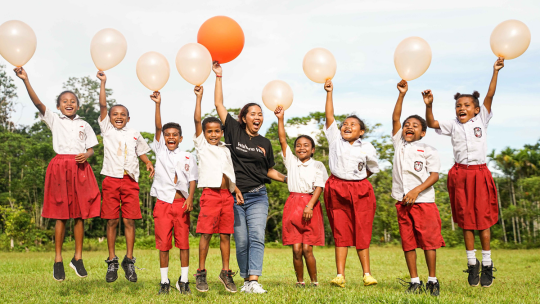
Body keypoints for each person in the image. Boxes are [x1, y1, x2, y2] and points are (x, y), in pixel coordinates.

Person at [14, 67, 101, 281]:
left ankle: (78, 258)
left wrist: (86, 155)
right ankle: (58, 259)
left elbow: (91, 147)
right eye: (65, 101)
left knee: (80, 214)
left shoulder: (84, 124)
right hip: (60, 167)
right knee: (61, 215)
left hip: (80, 167)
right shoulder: (54, 120)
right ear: (58, 106)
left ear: (78, 105)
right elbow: (37, 103)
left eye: (73, 101)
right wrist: (26, 80)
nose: (69, 103)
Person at [425, 57, 504, 288]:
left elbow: (490, 95)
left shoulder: (482, 119)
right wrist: (429, 105)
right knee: (466, 222)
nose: (462, 108)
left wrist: (495, 71)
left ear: (477, 110)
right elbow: (431, 123)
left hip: (480, 173)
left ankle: (487, 263)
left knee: (484, 221)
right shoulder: (452, 124)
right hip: (460, 174)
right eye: (459, 105)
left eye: (467, 105)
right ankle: (472, 263)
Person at [213, 62, 286, 294]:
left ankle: (253, 280)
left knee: (256, 237)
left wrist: (289, 178)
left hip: (258, 195)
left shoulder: (265, 143)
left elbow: (268, 171)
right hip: (235, 196)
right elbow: (218, 104)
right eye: (253, 114)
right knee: (242, 241)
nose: (258, 117)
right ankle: (246, 281)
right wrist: (219, 76)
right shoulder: (233, 131)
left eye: (260, 114)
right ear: (243, 118)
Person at [96, 71, 154, 283]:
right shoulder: (107, 130)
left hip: (130, 181)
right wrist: (103, 83)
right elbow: (103, 106)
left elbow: (141, 152)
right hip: (111, 179)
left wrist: (148, 162)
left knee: (130, 221)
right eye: (114, 114)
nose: (118, 116)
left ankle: (129, 260)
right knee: (111, 221)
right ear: (109, 118)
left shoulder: (135, 133)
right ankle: (112, 260)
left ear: (128, 118)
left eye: (122, 114)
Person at [323, 79, 379, 288]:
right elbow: (329, 116)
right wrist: (329, 93)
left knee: (362, 230)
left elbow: (372, 167)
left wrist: (358, 181)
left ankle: (367, 274)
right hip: (337, 187)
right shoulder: (335, 140)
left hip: (360, 189)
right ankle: (340, 275)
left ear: (361, 131)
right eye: (345, 124)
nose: (347, 126)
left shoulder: (367, 147)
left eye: (352, 124)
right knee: (341, 230)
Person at [392, 80, 444, 296]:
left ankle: (432, 280)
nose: (409, 127)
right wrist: (402, 95)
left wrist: (415, 191)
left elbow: (434, 176)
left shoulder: (429, 149)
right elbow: (395, 117)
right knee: (408, 242)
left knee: (429, 242)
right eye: (407, 125)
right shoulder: (399, 143)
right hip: (402, 201)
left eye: (415, 125)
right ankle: (415, 281)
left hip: (424, 202)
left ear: (423, 132)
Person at [274, 106, 328, 288]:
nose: (301, 148)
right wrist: (281, 119)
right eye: (298, 145)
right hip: (293, 204)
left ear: (312, 150)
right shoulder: (291, 162)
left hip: (309, 204)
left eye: (306, 145)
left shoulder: (318, 165)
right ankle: (300, 282)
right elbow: (282, 140)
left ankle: (314, 282)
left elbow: (319, 187)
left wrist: (310, 205)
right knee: (296, 249)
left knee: (307, 248)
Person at [192, 85, 239, 293]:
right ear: (204, 133)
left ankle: (226, 272)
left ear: (222, 132)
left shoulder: (225, 149)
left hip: (226, 196)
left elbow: (229, 174)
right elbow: (196, 120)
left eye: (216, 131)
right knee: (206, 234)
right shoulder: (202, 145)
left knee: (226, 234)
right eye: (209, 131)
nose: (213, 134)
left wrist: (235, 189)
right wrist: (199, 98)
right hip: (210, 195)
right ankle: (201, 272)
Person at [150, 91, 198, 295]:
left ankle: (184, 280)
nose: (170, 137)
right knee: (163, 245)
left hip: (181, 204)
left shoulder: (188, 156)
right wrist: (158, 105)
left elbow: (194, 180)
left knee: (184, 244)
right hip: (163, 203)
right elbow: (158, 127)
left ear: (180, 138)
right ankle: (164, 282)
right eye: (168, 135)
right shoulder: (160, 151)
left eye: (174, 135)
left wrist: (190, 198)